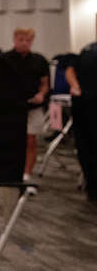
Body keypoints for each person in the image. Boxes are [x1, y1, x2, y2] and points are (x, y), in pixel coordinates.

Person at [1, 28, 49, 193]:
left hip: (33, 108)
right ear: (14, 39)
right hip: (12, 108)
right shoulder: (5, 59)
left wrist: (41, 94)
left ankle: (26, 175)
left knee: (31, 141)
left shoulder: (39, 60)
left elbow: (44, 83)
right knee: (13, 141)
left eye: (28, 40)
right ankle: (12, 173)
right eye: (21, 39)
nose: (24, 42)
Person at [66, 42, 97, 204]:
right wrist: (75, 86)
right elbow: (70, 69)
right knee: (85, 148)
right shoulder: (88, 49)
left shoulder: (88, 50)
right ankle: (92, 187)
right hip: (84, 106)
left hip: (84, 104)